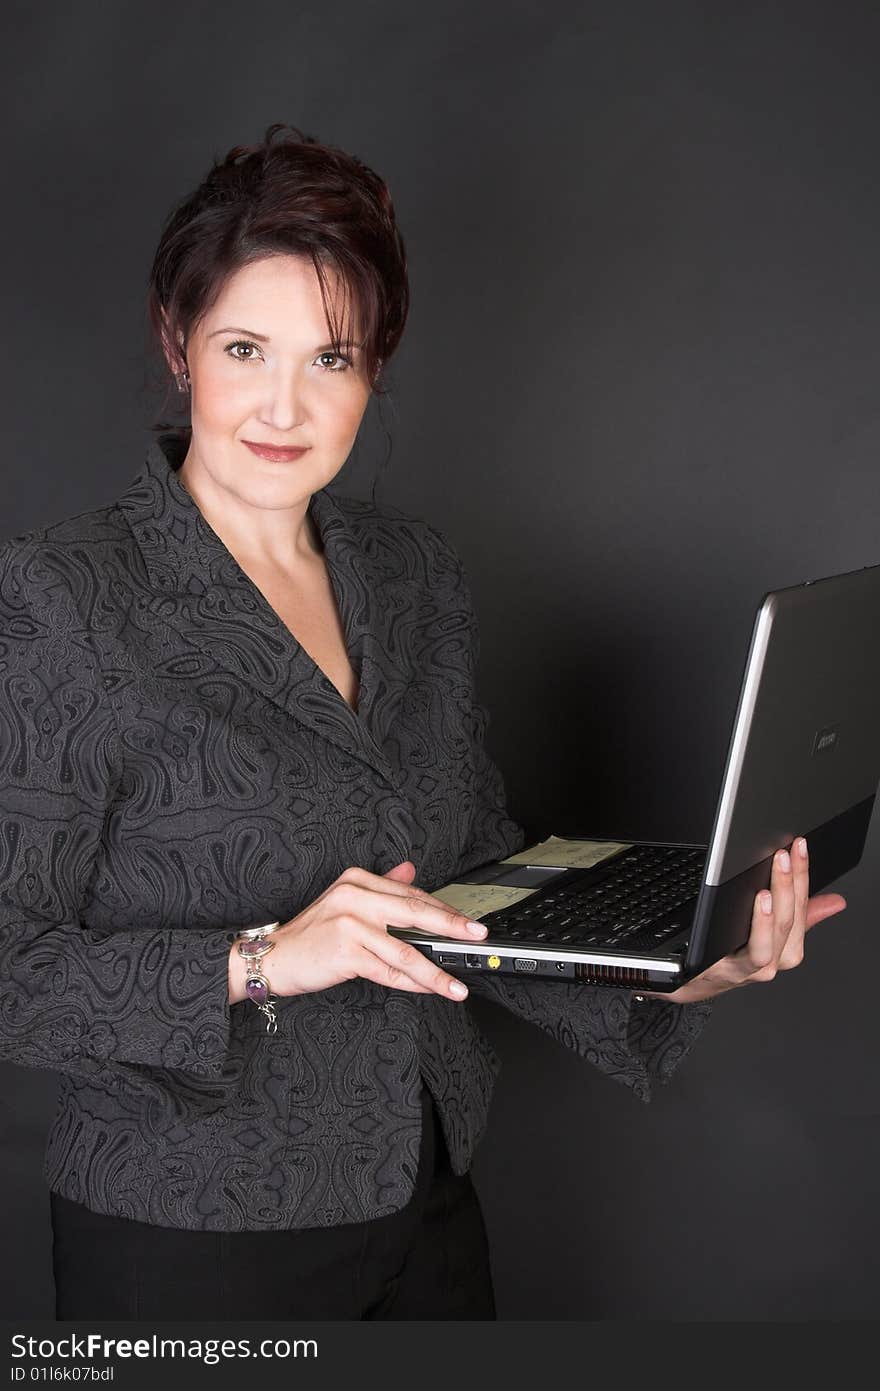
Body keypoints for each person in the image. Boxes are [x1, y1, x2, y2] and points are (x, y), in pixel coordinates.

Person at [0, 122, 847, 1322]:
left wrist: (680, 966)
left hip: (425, 1195)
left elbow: (463, 885)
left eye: (331, 358)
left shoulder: (410, 574)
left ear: (375, 370)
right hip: (192, 1231)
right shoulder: (57, 596)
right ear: (177, 342)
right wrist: (263, 959)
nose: (284, 404)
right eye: (247, 347)